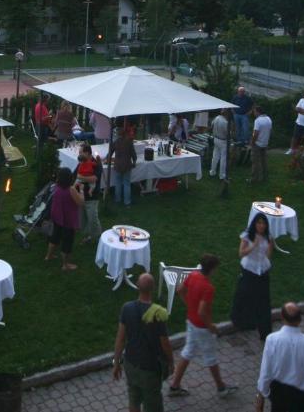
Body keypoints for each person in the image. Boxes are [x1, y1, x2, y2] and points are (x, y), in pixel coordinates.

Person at [168, 254, 237, 399]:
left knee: (188, 351)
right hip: (201, 327)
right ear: (212, 269)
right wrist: (211, 326)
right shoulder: (208, 288)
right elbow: (202, 311)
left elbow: (180, 289)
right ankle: (221, 388)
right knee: (210, 356)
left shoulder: (193, 275)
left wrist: (189, 304)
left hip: (190, 321)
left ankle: (174, 385)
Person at [113, 273, 174, 412]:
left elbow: (120, 339)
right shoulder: (158, 314)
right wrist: (171, 362)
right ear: (152, 288)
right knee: (153, 405)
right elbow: (165, 344)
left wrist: (116, 363)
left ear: (137, 287)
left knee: (134, 400)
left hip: (131, 364)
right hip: (150, 369)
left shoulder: (126, 308)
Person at [255, 303, 304, 412]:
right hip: (302, 398)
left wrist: (262, 392)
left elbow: (266, 370)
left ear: (282, 317)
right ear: (300, 320)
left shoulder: (272, 340)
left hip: (279, 396)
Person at [231, 213, 274, 340]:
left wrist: (270, 247)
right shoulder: (247, 235)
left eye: (263, 223)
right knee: (245, 296)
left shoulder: (268, 237)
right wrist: (254, 245)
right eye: (259, 223)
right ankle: (243, 322)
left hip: (263, 271)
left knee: (264, 301)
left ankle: (265, 332)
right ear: (254, 224)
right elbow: (241, 253)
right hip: (249, 270)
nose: (261, 226)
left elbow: (268, 254)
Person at [45, 167, 83, 270]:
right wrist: (82, 191)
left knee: (55, 237)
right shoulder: (71, 190)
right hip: (68, 220)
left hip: (57, 217)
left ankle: (48, 256)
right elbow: (80, 202)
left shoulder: (56, 187)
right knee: (67, 242)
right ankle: (65, 265)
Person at [76, 143, 103, 244]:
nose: (79, 154)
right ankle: (88, 236)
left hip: (92, 196)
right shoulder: (82, 162)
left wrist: (80, 178)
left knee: (93, 219)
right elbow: (76, 174)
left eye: (80, 152)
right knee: (83, 219)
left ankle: (100, 239)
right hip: (82, 195)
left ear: (87, 153)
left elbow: (94, 178)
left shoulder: (96, 164)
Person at [108, 125, 138, 206]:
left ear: (118, 134)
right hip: (127, 165)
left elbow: (109, 154)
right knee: (126, 183)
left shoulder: (116, 142)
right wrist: (134, 162)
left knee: (118, 183)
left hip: (118, 165)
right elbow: (134, 155)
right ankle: (127, 201)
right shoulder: (129, 142)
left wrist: (107, 160)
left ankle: (117, 199)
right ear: (126, 134)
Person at [286, 91, 304, 155]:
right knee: (295, 136)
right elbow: (297, 109)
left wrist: (301, 111)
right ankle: (291, 149)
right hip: (299, 122)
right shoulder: (302, 100)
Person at [250, 107, 273, 184]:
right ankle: (265, 177)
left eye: (254, 112)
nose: (254, 113)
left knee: (255, 162)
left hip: (257, 143)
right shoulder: (269, 119)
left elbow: (255, 133)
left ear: (258, 112)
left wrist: (252, 142)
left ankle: (254, 179)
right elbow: (270, 131)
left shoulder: (257, 121)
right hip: (265, 143)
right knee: (264, 161)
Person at [209, 109, 231, 180]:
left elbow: (211, 126)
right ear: (226, 114)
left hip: (216, 139)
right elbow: (227, 134)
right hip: (223, 141)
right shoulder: (225, 122)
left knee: (215, 156)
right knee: (223, 158)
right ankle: (222, 175)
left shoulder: (216, 118)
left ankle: (212, 171)